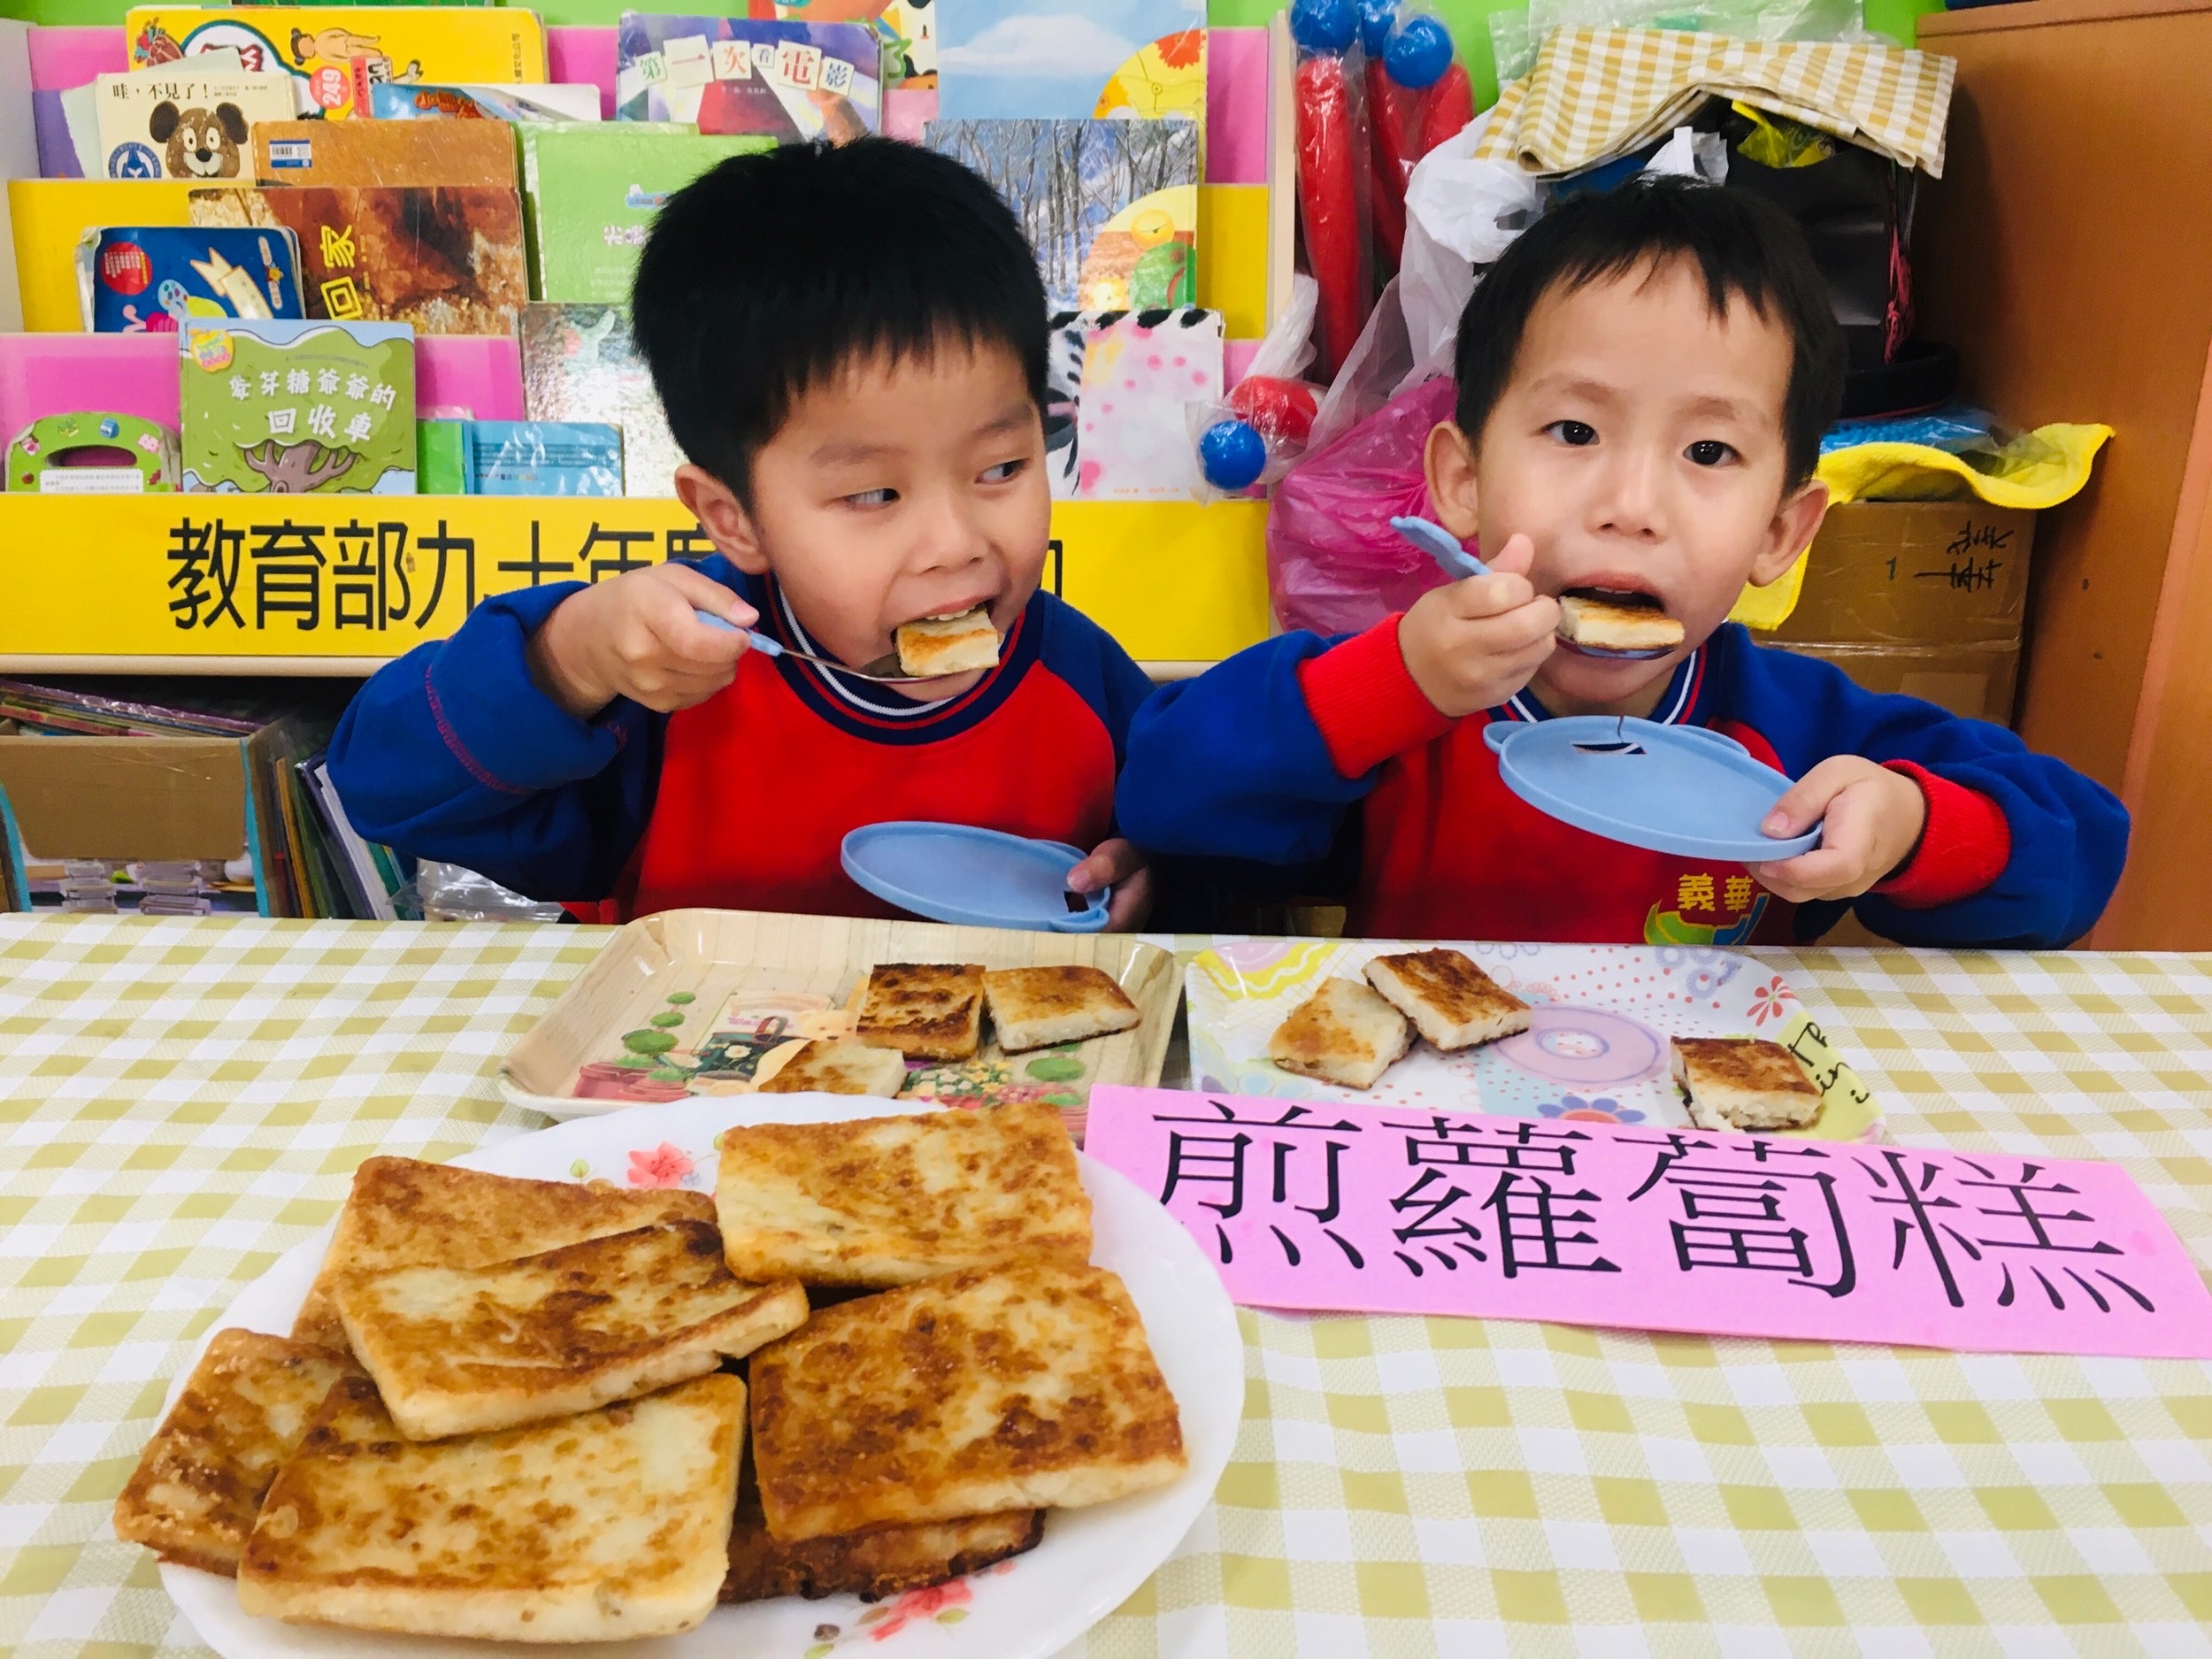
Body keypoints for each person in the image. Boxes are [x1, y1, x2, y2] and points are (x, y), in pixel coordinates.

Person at [1116, 179, 2126, 948]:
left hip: (1710, 1133)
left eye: (1709, 452)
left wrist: (1907, 826)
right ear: (1461, 481)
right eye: (1574, 431)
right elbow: (1166, 794)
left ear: (1780, 532)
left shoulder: (1796, 730)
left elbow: (2083, 848)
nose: (1632, 507)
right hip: (1438, 1124)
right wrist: (1391, 685)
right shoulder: (1406, 696)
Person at [329, 139, 1155, 925]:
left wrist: (1154, 866)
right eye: (874, 493)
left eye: (1002, 468)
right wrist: (567, 661)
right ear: (734, 520)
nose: (956, 543)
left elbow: (1186, 844)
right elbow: (377, 783)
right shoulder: (664, 682)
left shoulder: (1079, 678)